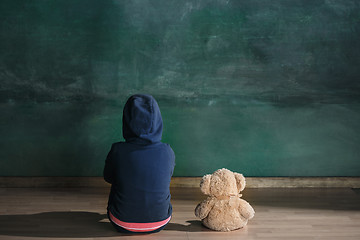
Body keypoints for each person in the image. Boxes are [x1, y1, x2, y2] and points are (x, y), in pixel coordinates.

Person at [103, 94, 175, 234]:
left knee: (119, 181)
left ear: (127, 121)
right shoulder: (168, 151)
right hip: (161, 221)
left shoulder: (118, 150)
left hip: (120, 222)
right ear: (158, 121)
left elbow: (108, 178)